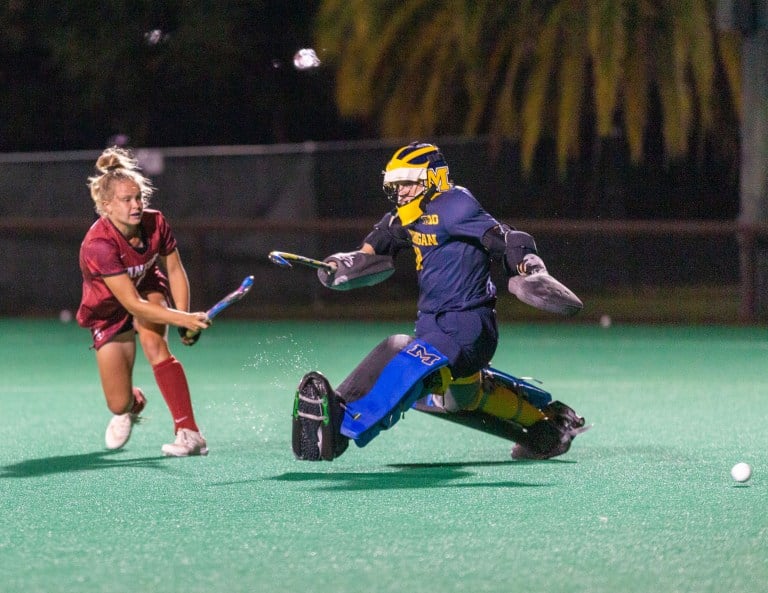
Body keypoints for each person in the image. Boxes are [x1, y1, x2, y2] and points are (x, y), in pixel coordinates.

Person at [291, 142, 588, 462]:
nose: (401, 191)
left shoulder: (455, 206)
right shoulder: (409, 215)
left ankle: (341, 423)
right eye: (397, 184)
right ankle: (546, 426)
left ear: (433, 179)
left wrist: (530, 269)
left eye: (408, 182)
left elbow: (507, 238)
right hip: (433, 325)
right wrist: (341, 265)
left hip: (468, 327)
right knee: (460, 399)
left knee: (401, 353)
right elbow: (379, 245)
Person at [77, 146, 211, 456]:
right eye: (127, 200)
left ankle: (188, 432)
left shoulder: (155, 223)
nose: (136, 205)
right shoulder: (98, 244)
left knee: (155, 345)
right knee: (117, 402)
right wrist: (185, 320)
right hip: (108, 310)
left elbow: (175, 270)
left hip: (147, 287)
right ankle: (133, 405)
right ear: (107, 206)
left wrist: (183, 317)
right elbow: (131, 304)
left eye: (138, 197)